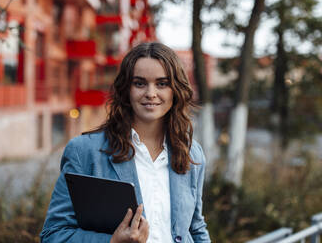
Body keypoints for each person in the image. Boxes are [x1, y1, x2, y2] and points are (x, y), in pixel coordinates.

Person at [40, 42, 211, 243]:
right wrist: (112, 242)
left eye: (162, 83)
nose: (151, 93)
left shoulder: (191, 153)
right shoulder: (85, 152)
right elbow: (54, 235)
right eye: (139, 83)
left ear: (175, 89)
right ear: (126, 90)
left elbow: (195, 227)